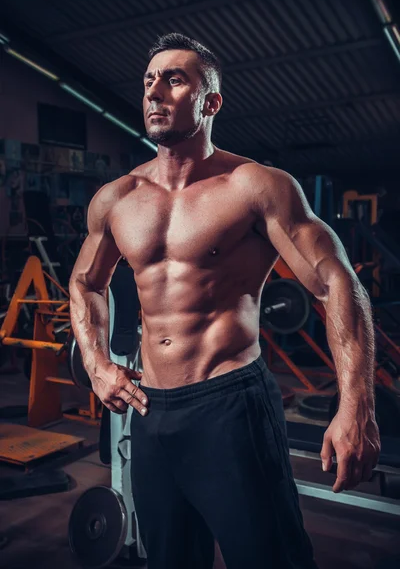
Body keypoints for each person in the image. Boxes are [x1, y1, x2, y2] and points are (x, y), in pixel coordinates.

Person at [69, 33, 380, 569]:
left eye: (174, 79)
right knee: (169, 559)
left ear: (210, 102)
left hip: (231, 407)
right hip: (152, 412)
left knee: (269, 557)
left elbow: (337, 283)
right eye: (148, 81)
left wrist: (356, 407)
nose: (155, 92)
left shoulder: (254, 187)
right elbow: (84, 283)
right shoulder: (117, 199)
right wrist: (98, 366)